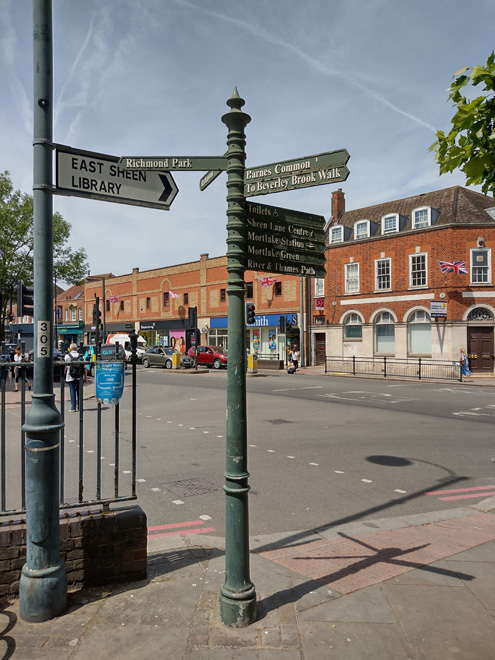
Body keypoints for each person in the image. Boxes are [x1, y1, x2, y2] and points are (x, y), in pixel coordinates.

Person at [65, 343, 87, 411]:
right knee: (79, 392)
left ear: (70, 349)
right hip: (79, 376)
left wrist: (63, 375)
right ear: (76, 349)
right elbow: (85, 367)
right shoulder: (81, 356)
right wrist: (85, 377)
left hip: (70, 376)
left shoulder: (67, 356)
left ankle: (73, 407)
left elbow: (65, 367)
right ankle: (80, 406)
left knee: (72, 392)